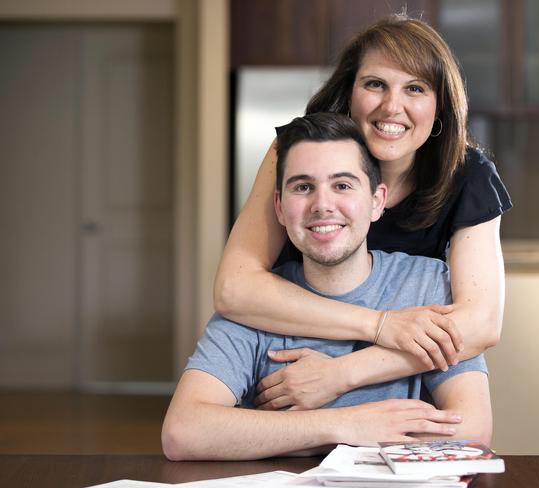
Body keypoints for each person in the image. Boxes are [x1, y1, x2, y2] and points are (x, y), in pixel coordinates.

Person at [213, 13, 512, 412]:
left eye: (416, 88)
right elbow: (234, 289)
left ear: (440, 105)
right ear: (349, 93)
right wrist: (379, 325)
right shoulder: (299, 151)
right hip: (287, 385)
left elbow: (481, 323)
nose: (392, 107)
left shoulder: (469, 176)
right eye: (375, 84)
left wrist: (341, 374)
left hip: (398, 396)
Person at [161, 113, 492, 461]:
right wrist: (346, 426)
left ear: (377, 201)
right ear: (279, 206)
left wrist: (289, 434)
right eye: (303, 187)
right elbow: (183, 431)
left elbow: (472, 428)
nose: (322, 205)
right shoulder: (256, 304)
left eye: (343, 185)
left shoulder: (425, 285)